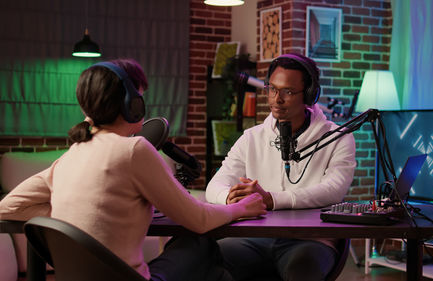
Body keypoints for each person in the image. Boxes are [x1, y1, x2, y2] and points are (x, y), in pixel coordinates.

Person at [0, 58, 267, 281]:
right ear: (131, 103)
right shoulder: (133, 149)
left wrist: (83, 218)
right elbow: (198, 220)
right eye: (140, 95)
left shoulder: (71, 156)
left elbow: (7, 206)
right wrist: (241, 208)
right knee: (201, 245)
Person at [205, 53, 356, 281]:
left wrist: (271, 200)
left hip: (310, 240)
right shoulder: (252, 138)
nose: (276, 99)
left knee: (302, 271)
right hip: (254, 237)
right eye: (272, 89)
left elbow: (334, 189)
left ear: (309, 95)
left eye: (287, 91)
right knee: (205, 261)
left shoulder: (338, 137)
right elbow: (214, 185)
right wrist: (230, 197)